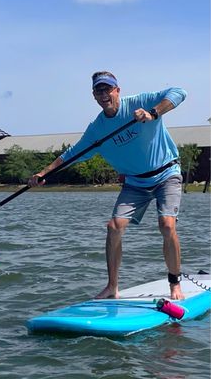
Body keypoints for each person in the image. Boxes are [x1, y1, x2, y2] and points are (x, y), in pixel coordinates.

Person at [29, 71, 187, 300]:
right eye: (99, 90)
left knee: (166, 225)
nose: (104, 94)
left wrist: (153, 113)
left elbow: (179, 92)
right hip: (135, 182)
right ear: (94, 95)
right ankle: (112, 287)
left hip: (166, 173)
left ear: (117, 91)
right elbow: (72, 154)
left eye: (108, 89)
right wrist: (43, 173)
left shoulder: (140, 102)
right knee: (114, 227)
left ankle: (175, 284)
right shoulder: (97, 129)